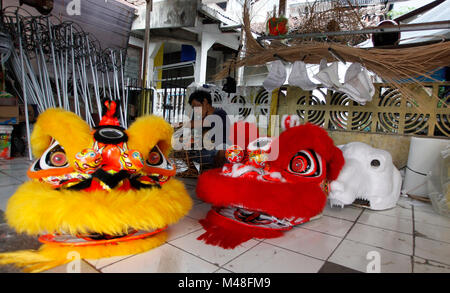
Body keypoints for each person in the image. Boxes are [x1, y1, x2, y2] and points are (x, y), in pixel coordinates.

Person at [187, 90, 229, 168]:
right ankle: (196, 170)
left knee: (222, 149)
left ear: (205, 102)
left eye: (197, 106)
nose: (195, 109)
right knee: (183, 151)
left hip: (218, 150)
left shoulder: (220, 113)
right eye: (193, 107)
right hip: (203, 150)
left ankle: (215, 171)